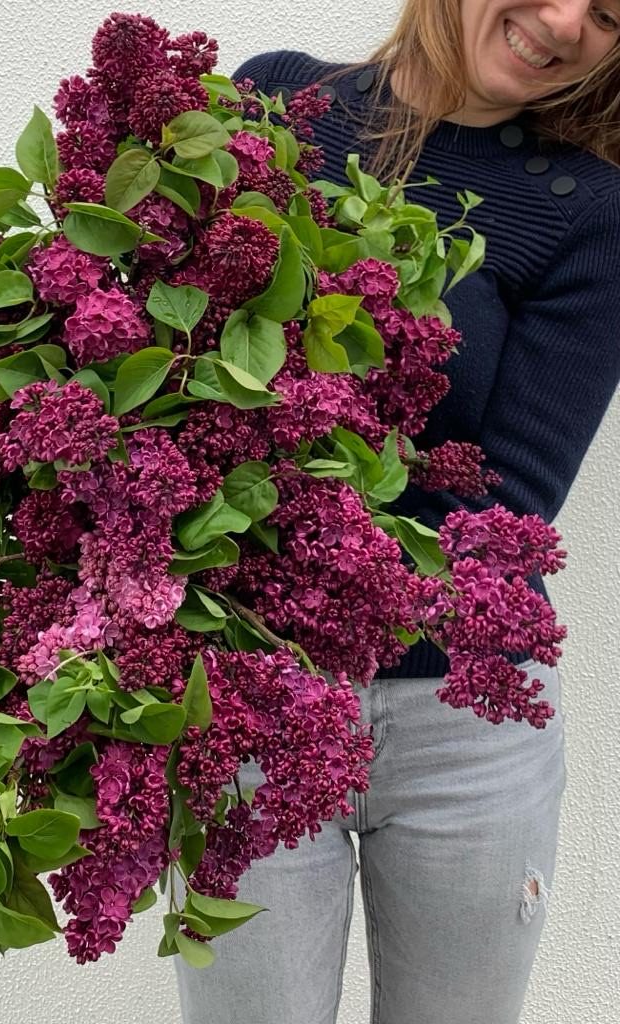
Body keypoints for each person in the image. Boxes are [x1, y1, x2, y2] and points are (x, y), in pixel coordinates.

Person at [174, 3, 620, 1022]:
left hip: (462, 720)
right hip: (250, 699)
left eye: (606, 14)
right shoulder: (276, 99)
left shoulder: (590, 209)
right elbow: (161, 362)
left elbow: (508, 500)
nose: (563, 23)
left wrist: (266, 484)